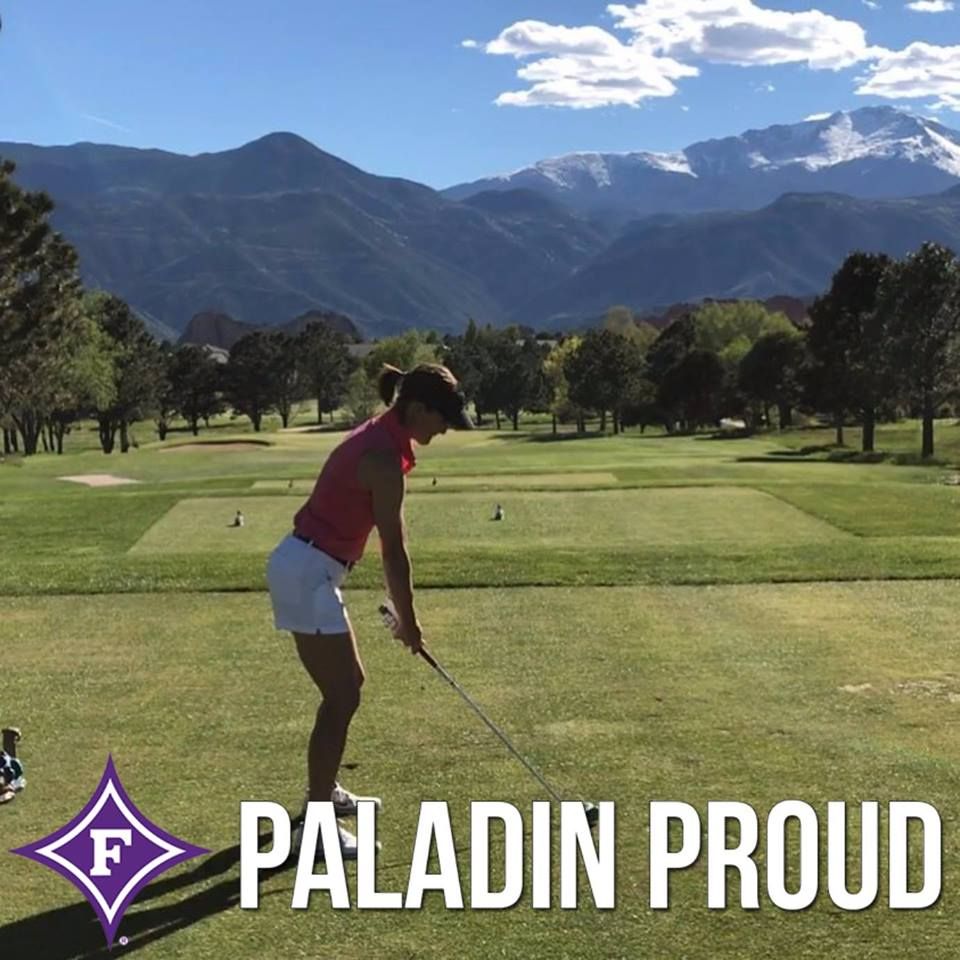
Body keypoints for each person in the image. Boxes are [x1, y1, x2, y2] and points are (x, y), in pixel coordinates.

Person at [266, 363, 473, 859]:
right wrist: (410, 621)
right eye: (441, 418)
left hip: (310, 567)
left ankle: (325, 789)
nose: (444, 429)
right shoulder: (382, 458)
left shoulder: (383, 439)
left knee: (348, 687)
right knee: (342, 697)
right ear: (418, 408)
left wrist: (406, 617)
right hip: (307, 571)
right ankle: (315, 825)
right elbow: (393, 551)